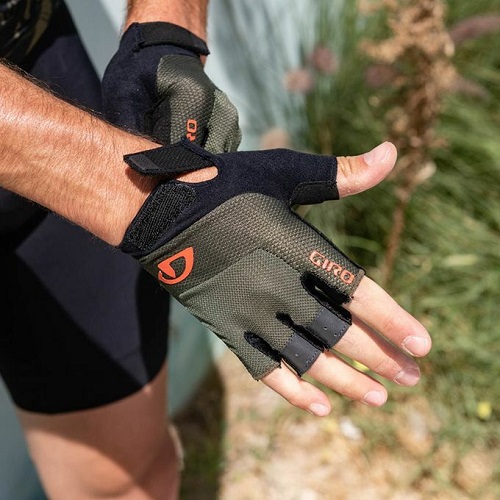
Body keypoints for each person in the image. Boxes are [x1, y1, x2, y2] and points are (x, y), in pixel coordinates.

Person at [0, 1, 432, 498]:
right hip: (83, 166)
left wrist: (168, 28)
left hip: (31, 56)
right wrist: (152, 208)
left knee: (124, 479)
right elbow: (125, 193)